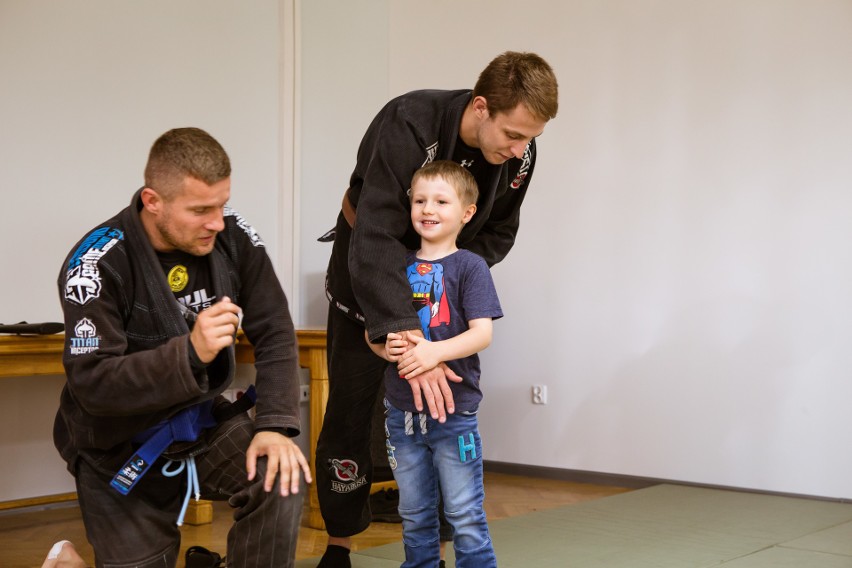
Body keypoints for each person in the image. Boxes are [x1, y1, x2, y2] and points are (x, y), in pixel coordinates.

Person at [315, 51, 558, 567]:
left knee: (441, 409)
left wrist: (444, 277)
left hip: (441, 295)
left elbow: (498, 232)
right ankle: (338, 544)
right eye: (513, 134)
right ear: (480, 107)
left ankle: (442, 542)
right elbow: (377, 230)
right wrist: (403, 328)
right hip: (369, 282)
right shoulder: (409, 121)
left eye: (530, 138)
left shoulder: (520, 155)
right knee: (350, 414)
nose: (521, 149)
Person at [55, 127, 311, 568]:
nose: (217, 221)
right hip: (117, 447)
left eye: (222, 205)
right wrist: (189, 352)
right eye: (200, 210)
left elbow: (274, 329)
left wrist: (276, 425)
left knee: (279, 474)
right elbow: (92, 383)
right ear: (153, 201)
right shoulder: (95, 264)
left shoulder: (233, 236)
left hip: (201, 426)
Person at [369, 161, 502, 567]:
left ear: (466, 212)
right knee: (413, 515)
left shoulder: (470, 267)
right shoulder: (395, 266)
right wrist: (386, 349)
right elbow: (373, 333)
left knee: (463, 513)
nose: (428, 208)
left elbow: (482, 334)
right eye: (420, 199)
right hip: (401, 417)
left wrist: (432, 352)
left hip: (454, 413)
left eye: (441, 201)